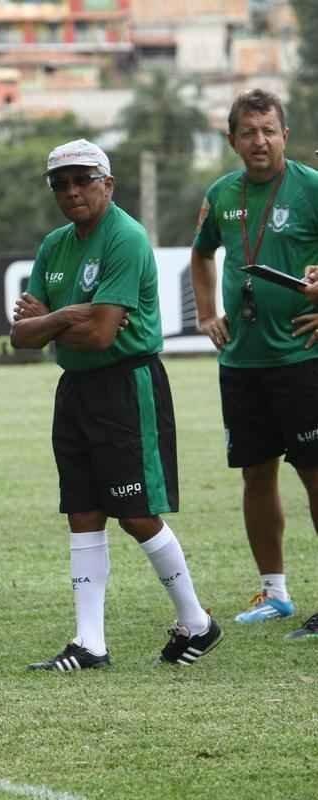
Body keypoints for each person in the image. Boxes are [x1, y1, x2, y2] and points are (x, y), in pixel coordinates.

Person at [11, 138, 222, 669]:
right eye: (61, 183)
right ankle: (90, 644)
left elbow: (104, 334)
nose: (72, 190)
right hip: (76, 390)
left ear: (109, 184)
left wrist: (52, 319)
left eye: (83, 179)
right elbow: (20, 335)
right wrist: (66, 317)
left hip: (127, 386)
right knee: (82, 511)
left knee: (135, 513)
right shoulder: (54, 245)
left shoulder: (125, 237)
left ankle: (197, 622)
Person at [191, 88, 318, 639]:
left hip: (302, 357)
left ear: (284, 134)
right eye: (249, 132)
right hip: (242, 362)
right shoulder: (222, 194)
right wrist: (205, 313)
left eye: (269, 130)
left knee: (316, 475)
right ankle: (275, 593)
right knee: (255, 475)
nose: (260, 141)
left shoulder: (312, 189)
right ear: (233, 139)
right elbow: (201, 254)